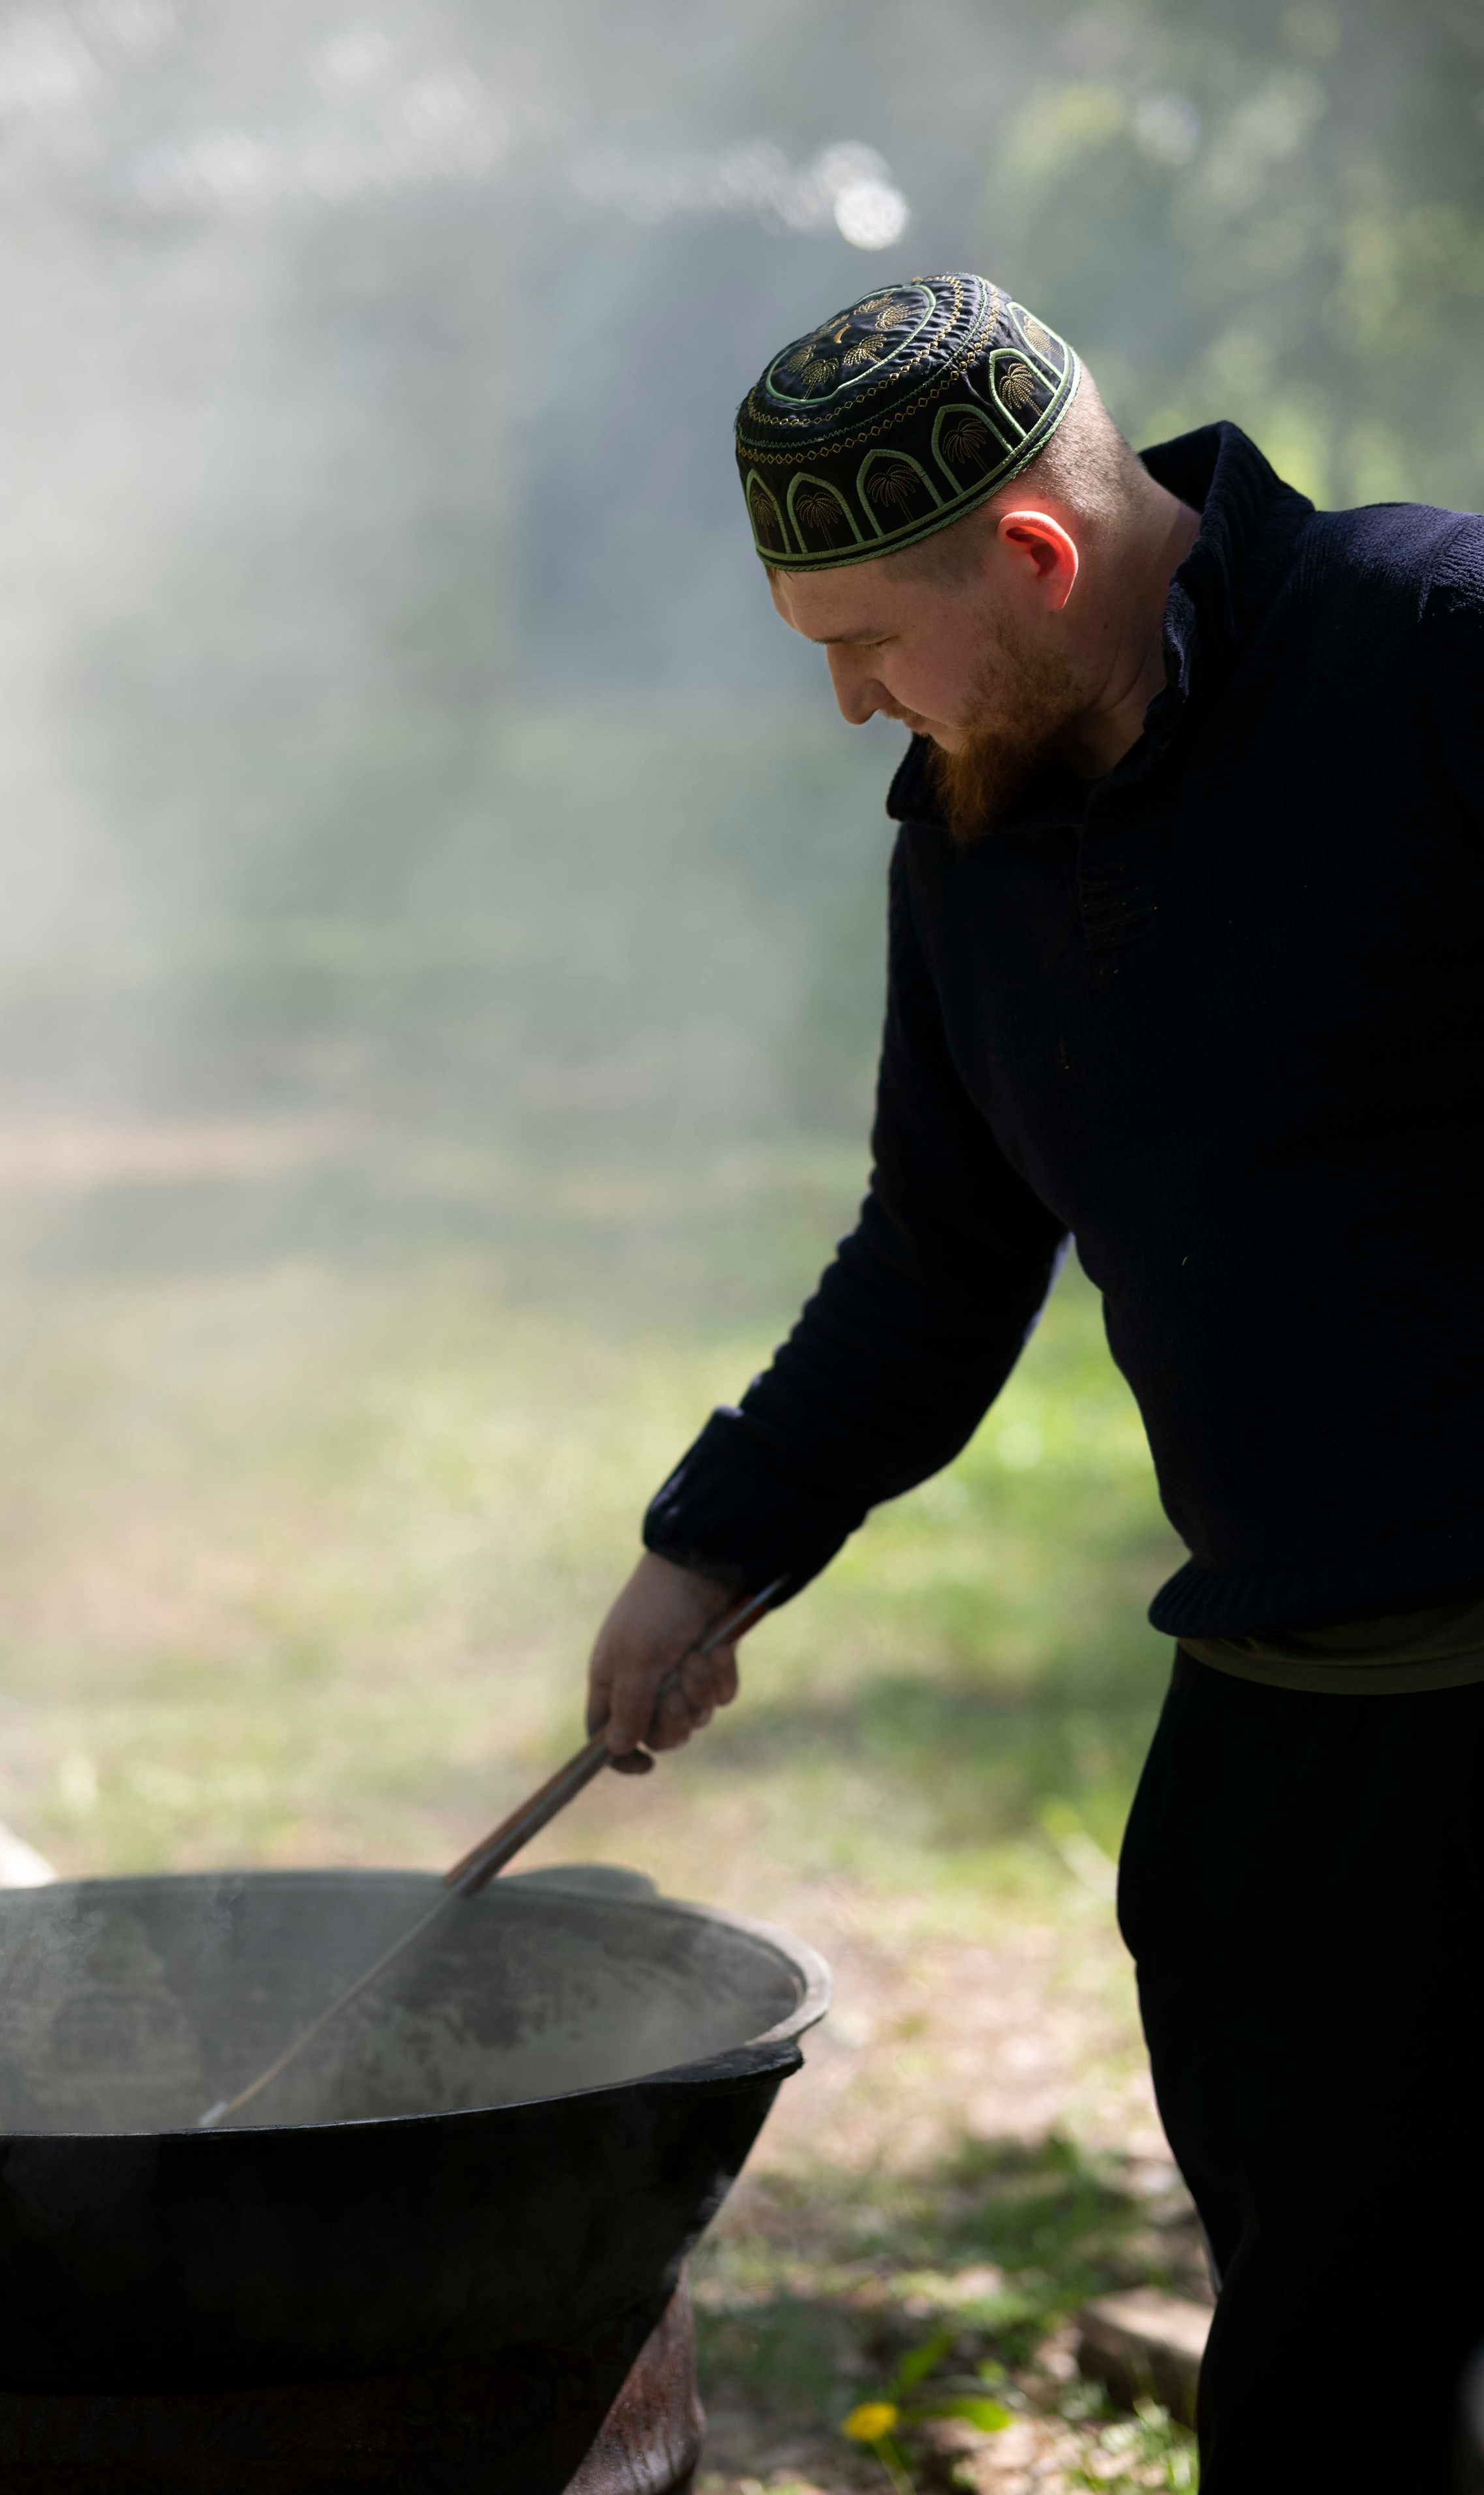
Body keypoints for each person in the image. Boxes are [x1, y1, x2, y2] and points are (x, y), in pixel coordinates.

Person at [583, 272, 1484, 2492]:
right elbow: (939, 1257)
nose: (847, 705)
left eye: (865, 644)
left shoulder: (1435, 652)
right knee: (1331, 2390)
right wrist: (712, 1547)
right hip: (1289, 1740)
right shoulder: (978, 836)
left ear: (1038, 552)